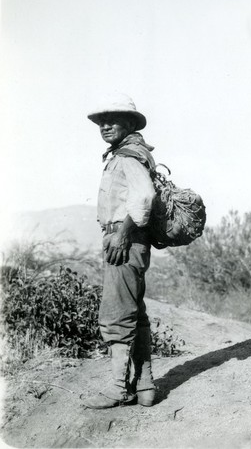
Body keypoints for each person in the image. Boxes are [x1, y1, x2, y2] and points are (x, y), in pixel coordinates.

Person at [83, 93, 157, 409]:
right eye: (102, 121)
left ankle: (117, 388)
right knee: (134, 310)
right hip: (127, 240)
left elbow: (143, 198)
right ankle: (145, 387)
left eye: (113, 120)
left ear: (128, 123)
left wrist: (122, 234)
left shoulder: (127, 157)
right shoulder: (126, 154)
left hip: (123, 241)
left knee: (117, 311)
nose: (105, 125)